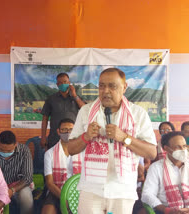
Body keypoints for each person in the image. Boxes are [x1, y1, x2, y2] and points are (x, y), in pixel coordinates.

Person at [68, 68, 157, 214]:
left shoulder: (138, 114)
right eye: (102, 86)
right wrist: (86, 136)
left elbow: (152, 153)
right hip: (91, 188)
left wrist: (124, 138)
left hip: (122, 189)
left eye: (112, 86)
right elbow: (71, 149)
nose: (106, 91)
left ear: (124, 87)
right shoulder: (86, 111)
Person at [0, 131, 34, 214]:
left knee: (26, 197)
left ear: (16, 144)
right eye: (2, 150)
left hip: (17, 186)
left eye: (9, 150)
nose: (5, 152)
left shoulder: (24, 150)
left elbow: (27, 178)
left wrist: (12, 190)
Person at [142, 132, 189, 214]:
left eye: (184, 146)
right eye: (177, 147)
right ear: (166, 148)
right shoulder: (156, 167)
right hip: (166, 210)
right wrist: (166, 210)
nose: (182, 150)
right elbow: (147, 194)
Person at [42, 118, 82, 214]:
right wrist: (65, 198)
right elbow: (50, 183)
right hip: (57, 191)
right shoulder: (49, 154)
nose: (67, 132)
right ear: (58, 132)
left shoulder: (83, 151)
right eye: (64, 130)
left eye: (71, 129)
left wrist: (74, 198)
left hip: (78, 192)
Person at [41, 73, 85, 149]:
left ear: (69, 83)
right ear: (57, 85)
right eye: (60, 83)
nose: (63, 84)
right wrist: (43, 137)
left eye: (65, 82)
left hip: (73, 136)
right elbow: (45, 119)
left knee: (73, 159)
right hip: (55, 137)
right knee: (54, 159)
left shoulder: (76, 98)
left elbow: (85, 109)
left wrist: (74, 95)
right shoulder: (51, 99)